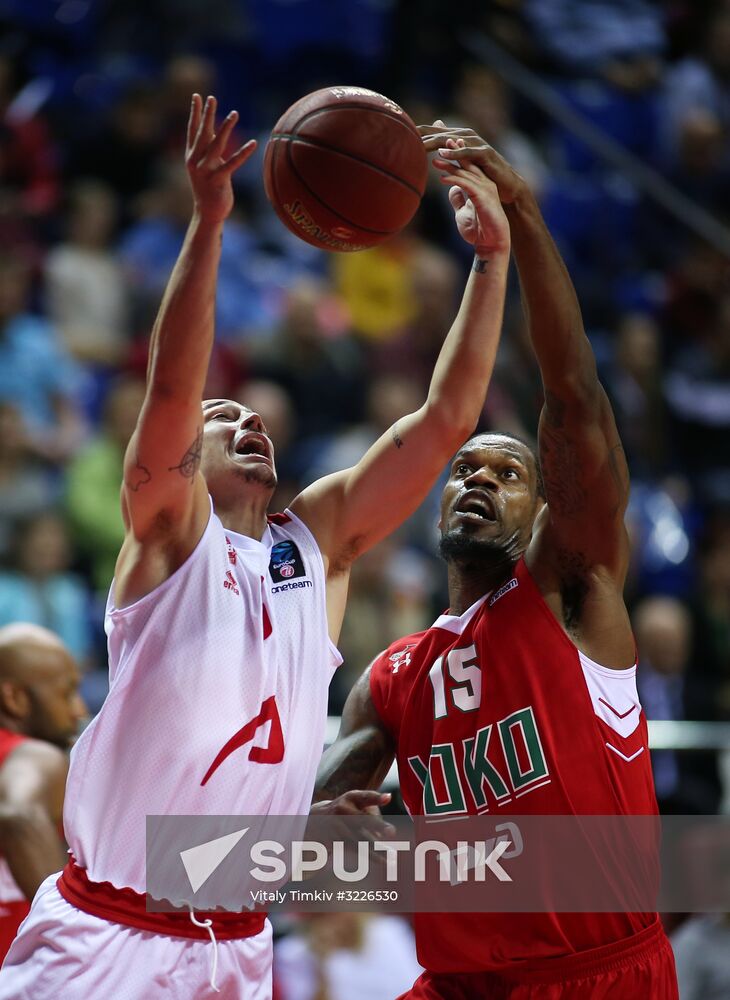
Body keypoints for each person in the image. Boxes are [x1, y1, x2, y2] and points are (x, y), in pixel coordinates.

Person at [0, 97, 512, 999]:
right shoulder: (165, 542)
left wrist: (492, 260)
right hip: (109, 934)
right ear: (180, 458)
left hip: (238, 945)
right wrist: (208, 223)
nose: (248, 422)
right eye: (224, 415)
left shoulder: (318, 548)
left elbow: (444, 424)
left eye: (255, 417)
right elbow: (170, 385)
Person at [316, 128, 679, 999]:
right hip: (458, 983)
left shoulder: (569, 586)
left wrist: (523, 218)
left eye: (508, 471)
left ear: (545, 504)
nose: (477, 478)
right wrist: (317, 831)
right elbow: (321, 819)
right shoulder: (395, 677)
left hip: (596, 973)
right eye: (463, 468)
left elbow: (575, 398)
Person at [0, 624, 85, 962]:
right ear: (15, 698)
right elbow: (18, 817)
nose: (78, 710)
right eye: (67, 693)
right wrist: (77, 944)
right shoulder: (36, 756)